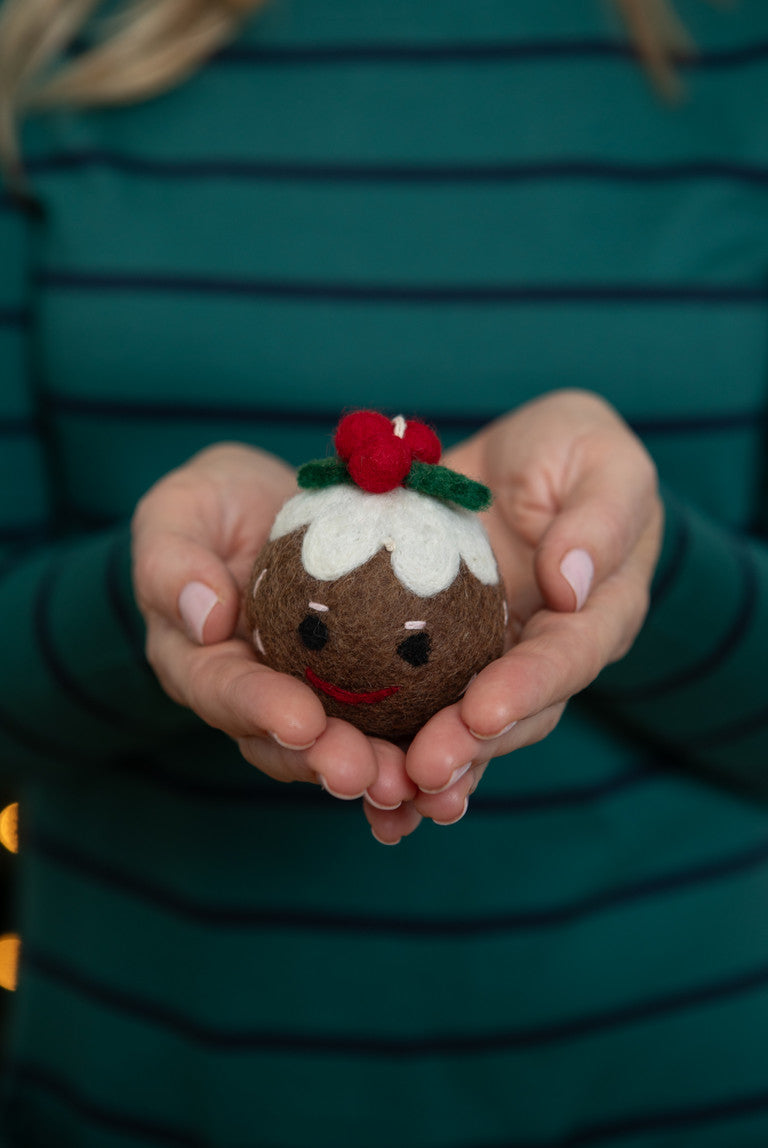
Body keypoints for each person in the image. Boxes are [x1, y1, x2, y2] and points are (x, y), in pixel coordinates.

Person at [0, 0, 767, 1143]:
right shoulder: (48, 55)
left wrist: (637, 570)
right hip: (150, 1098)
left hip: (682, 1090)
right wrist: (144, 604)